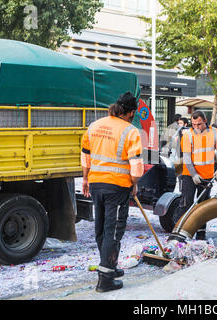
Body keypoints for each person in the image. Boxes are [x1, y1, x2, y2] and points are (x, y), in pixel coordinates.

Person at [81, 91, 144, 293]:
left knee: (101, 228)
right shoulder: (130, 131)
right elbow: (137, 166)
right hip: (117, 187)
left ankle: (109, 266)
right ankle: (105, 280)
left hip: (96, 184)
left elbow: (85, 155)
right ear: (131, 112)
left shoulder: (94, 126)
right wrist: (134, 184)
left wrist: (85, 178)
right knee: (113, 230)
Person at [176, 110, 217, 240]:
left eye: (199, 124)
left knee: (203, 206)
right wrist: (193, 175)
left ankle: (201, 234)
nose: (196, 127)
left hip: (207, 174)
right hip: (189, 174)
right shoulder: (188, 135)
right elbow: (186, 157)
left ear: (205, 121)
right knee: (186, 202)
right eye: (193, 124)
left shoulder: (215, 133)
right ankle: (181, 232)